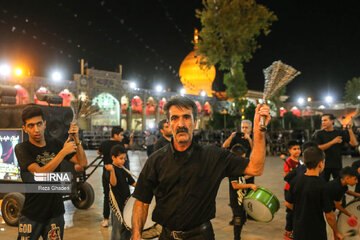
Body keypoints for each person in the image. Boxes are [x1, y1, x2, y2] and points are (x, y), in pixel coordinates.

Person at [131, 96, 271, 240]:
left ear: (195, 123)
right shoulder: (156, 160)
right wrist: (136, 234)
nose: (181, 124)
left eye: (186, 117)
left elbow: (255, 168)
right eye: (175, 118)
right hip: (167, 236)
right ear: (169, 123)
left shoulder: (213, 156)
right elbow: (142, 201)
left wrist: (258, 133)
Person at [15, 105, 87, 240]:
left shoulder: (55, 143)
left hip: (55, 213)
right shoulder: (22, 148)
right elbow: (40, 174)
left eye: (39, 124)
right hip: (32, 213)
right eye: (31, 126)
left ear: (45, 124)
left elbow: (82, 162)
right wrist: (62, 152)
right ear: (24, 128)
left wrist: (77, 140)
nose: (36, 129)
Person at [285, 146, 343, 240]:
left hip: (298, 229)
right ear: (321, 163)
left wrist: (301, 212)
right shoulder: (323, 186)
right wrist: (337, 232)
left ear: (304, 163)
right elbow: (329, 216)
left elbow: (288, 203)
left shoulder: (295, 181)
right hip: (316, 231)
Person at [98, 126, 132, 227]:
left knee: (107, 194)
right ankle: (122, 216)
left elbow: (98, 152)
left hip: (107, 173)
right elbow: (126, 148)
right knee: (119, 196)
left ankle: (105, 219)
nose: (122, 137)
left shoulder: (104, 144)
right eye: (121, 135)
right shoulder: (120, 145)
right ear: (115, 135)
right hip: (116, 173)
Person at [222, 119, 254, 224]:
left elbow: (255, 149)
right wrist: (231, 137)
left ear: (250, 129)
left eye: (246, 127)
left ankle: (249, 214)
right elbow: (224, 146)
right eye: (242, 127)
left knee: (248, 192)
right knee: (235, 194)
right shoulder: (236, 138)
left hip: (248, 167)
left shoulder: (252, 138)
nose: (244, 129)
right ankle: (236, 216)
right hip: (236, 168)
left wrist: (249, 138)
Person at [312, 113, 358, 182]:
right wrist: (333, 142)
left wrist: (350, 130)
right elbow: (318, 148)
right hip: (323, 165)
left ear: (332, 121)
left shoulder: (339, 133)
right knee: (323, 185)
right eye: (322, 121)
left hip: (337, 164)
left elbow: (354, 144)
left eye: (325, 120)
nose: (323, 122)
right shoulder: (319, 134)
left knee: (339, 185)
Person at [105, 144, 136, 240]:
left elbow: (133, 183)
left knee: (127, 226)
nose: (123, 161)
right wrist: (112, 171)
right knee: (117, 228)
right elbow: (113, 183)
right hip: (117, 205)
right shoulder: (110, 170)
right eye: (121, 158)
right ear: (113, 157)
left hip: (125, 203)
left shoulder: (124, 170)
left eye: (124, 158)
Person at [229, 144, 258, 240]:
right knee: (238, 219)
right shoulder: (232, 168)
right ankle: (236, 237)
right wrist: (250, 185)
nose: (244, 158)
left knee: (241, 218)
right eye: (242, 157)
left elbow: (242, 178)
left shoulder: (240, 166)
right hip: (236, 200)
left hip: (242, 198)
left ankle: (238, 234)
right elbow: (235, 185)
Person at [283, 140, 301, 240]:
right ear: (289, 151)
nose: (297, 150)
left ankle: (294, 231)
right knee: (290, 212)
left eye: (298, 148)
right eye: (294, 149)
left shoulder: (300, 162)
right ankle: (288, 232)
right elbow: (285, 176)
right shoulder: (288, 161)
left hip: (297, 189)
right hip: (289, 190)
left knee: (296, 211)